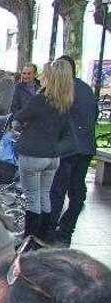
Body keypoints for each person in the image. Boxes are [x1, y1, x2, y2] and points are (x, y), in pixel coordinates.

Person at [13, 59, 73, 239]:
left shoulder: (40, 100)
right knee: (44, 195)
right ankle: (43, 236)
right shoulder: (66, 102)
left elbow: (18, 118)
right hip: (53, 155)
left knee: (32, 197)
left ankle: (29, 237)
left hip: (33, 153)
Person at [49, 55, 98, 246]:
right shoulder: (86, 89)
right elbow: (92, 117)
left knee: (57, 192)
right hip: (85, 148)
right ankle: (66, 229)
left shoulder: (60, 89)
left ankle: (51, 231)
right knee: (77, 192)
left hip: (65, 149)